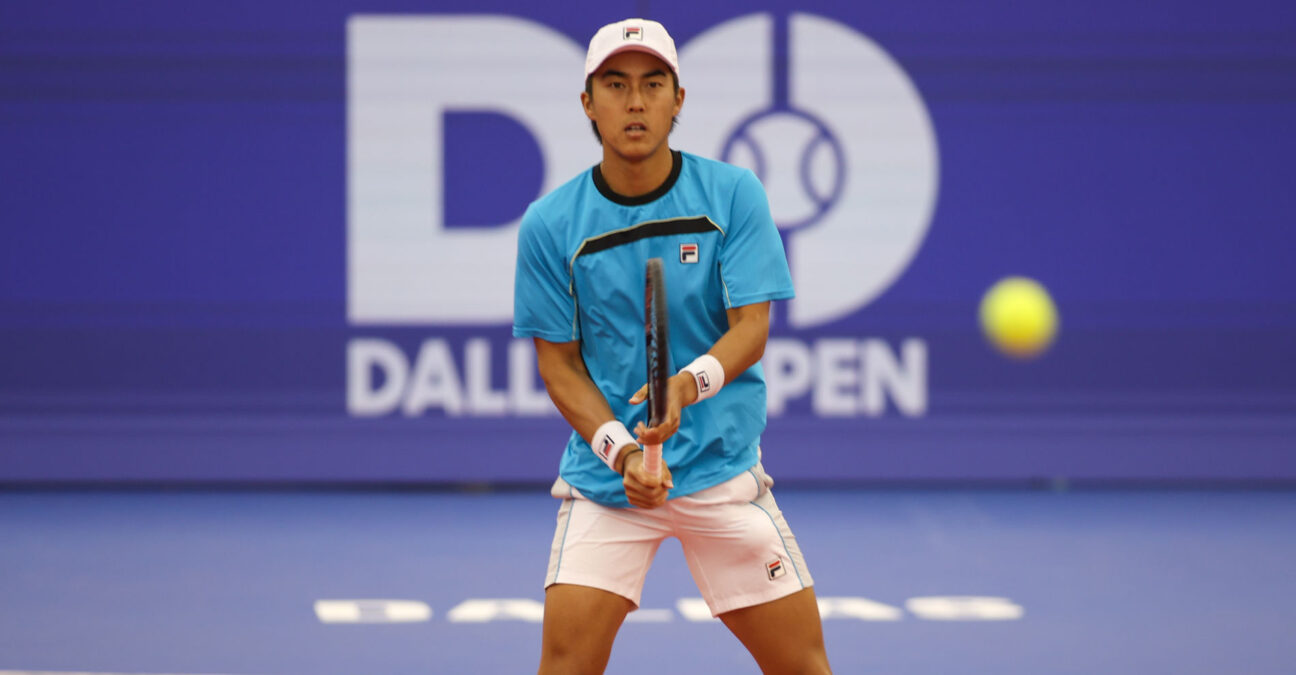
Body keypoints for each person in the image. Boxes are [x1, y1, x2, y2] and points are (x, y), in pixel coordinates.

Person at [512, 18, 832, 675]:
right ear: (588, 103)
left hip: (720, 472)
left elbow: (750, 327)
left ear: (677, 99)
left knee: (803, 667)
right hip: (610, 485)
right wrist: (624, 451)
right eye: (616, 84)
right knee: (564, 667)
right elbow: (560, 366)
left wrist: (686, 386)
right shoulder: (551, 224)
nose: (635, 102)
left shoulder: (731, 195)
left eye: (653, 84)